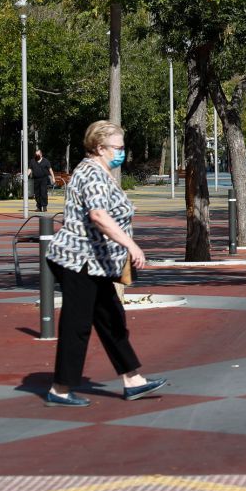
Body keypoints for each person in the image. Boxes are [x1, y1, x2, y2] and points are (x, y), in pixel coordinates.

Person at [43, 120, 166, 408]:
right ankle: (60, 389)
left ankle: (133, 380)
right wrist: (131, 245)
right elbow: (98, 215)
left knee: (111, 320)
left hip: (95, 263)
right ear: (100, 148)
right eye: (118, 148)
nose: (122, 152)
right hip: (79, 261)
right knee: (77, 324)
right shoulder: (93, 174)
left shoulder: (99, 172)